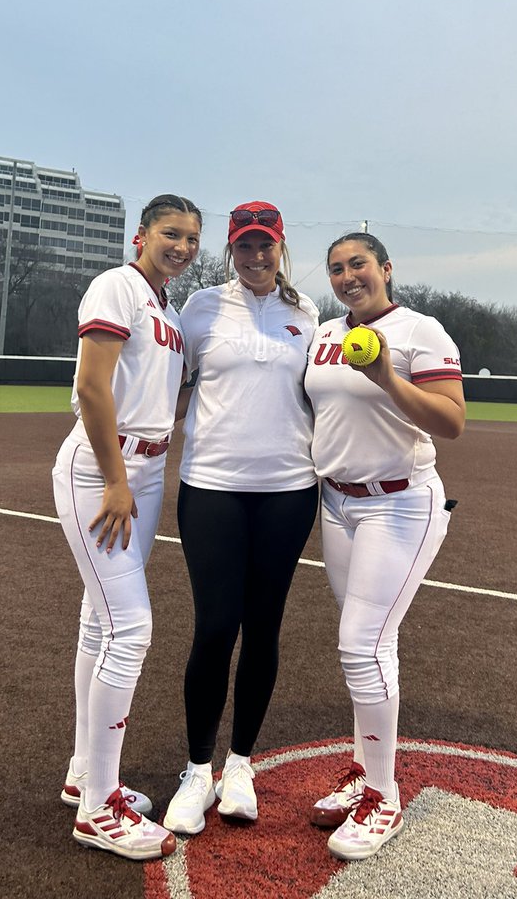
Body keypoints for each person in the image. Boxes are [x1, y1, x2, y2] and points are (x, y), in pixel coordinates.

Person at [304, 232, 465, 862]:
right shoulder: (323, 333)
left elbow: (452, 422)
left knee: (361, 643)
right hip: (338, 503)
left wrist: (386, 377)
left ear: (386, 269)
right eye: (337, 269)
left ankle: (382, 794)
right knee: (369, 642)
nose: (348, 277)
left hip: (399, 502)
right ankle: (363, 769)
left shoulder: (421, 331)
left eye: (359, 265)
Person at [52, 194, 202, 862]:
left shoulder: (164, 305)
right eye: (172, 233)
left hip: (139, 471)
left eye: (193, 237)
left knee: (98, 619)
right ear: (142, 234)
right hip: (102, 469)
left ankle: (86, 771)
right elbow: (92, 387)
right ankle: (98, 808)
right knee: (130, 627)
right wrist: (116, 480)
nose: (183, 246)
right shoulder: (117, 284)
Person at [163, 202, 319, 836]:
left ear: (281, 246)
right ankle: (197, 769)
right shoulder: (200, 308)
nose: (256, 257)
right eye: (245, 246)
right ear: (231, 248)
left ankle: (240, 765)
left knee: (264, 628)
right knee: (215, 627)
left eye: (267, 245)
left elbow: (324, 397)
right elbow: (166, 387)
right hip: (213, 488)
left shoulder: (308, 314)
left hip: (288, 489)